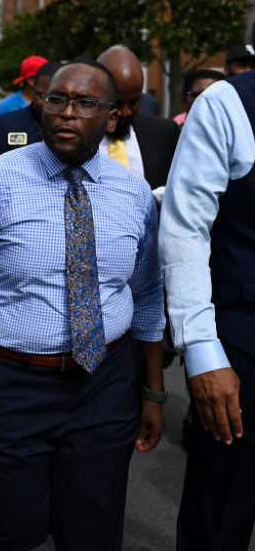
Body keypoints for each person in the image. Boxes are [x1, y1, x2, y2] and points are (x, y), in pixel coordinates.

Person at [0, 60, 166, 550]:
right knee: (12, 525)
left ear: (112, 118)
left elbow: (147, 296)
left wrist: (154, 391)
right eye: (57, 100)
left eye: (85, 103)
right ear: (40, 107)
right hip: (10, 386)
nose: (67, 113)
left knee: (91, 527)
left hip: (105, 384)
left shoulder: (134, 194)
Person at [160, 70, 255, 550]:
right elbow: (183, 228)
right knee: (220, 515)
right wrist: (200, 349)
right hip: (242, 344)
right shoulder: (225, 103)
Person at [96, 46, 180, 194]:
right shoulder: (74, 137)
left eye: (133, 102)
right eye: (116, 103)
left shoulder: (164, 134)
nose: (125, 112)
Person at [0, 61, 62, 171]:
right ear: (33, 91)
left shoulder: (79, 131)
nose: (48, 104)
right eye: (43, 96)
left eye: (57, 98)